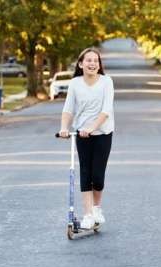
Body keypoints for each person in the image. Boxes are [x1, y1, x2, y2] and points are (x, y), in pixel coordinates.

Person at [58, 48, 115, 230]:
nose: (92, 64)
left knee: (97, 175)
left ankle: (97, 208)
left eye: (95, 61)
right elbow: (68, 109)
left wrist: (91, 128)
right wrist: (64, 128)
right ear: (81, 64)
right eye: (88, 60)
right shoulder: (75, 83)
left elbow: (106, 110)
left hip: (103, 133)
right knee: (85, 172)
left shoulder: (107, 82)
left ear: (99, 65)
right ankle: (88, 214)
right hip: (82, 134)